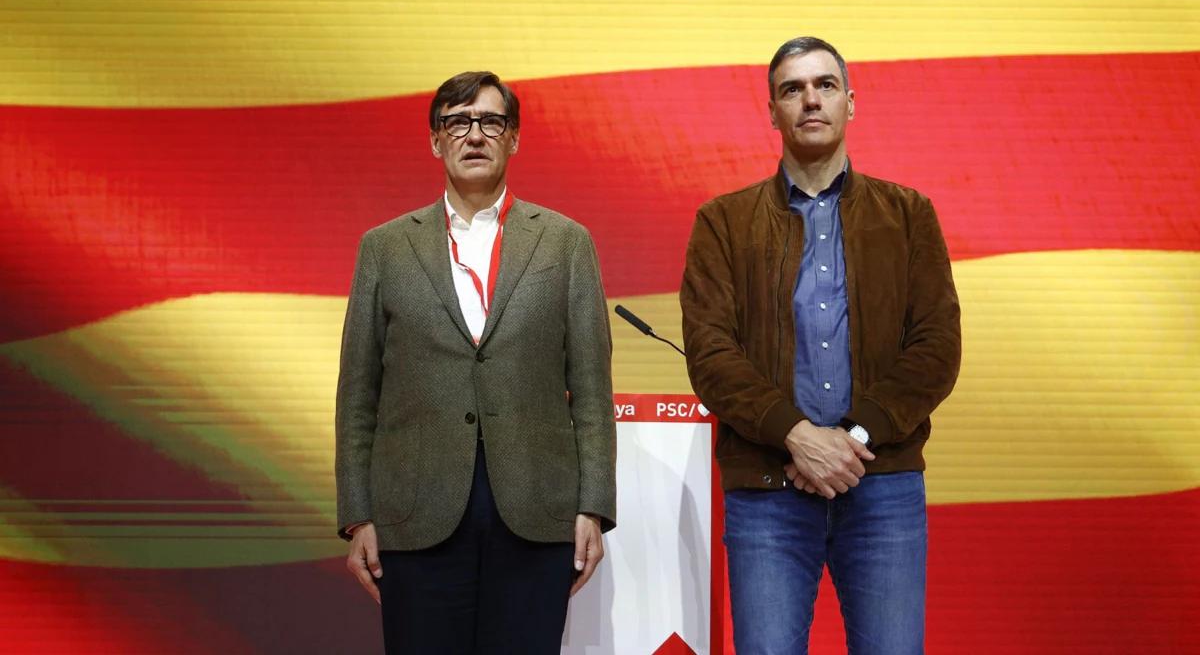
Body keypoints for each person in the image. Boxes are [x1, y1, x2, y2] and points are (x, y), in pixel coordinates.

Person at [680, 37, 961, 654]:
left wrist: (851, 441)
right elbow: (710, 354)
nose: (810, 99)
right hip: (768, 489)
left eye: (825, 85)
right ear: (772, 111)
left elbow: (937, 348)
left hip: (882, 485)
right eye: (792, 89)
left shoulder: (910, 214)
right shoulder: (722, 223)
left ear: (850, 102)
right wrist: (798, 437)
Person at [335, 71, 617, 654]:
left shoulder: (566, 243)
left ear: (513, 138)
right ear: (435, 141)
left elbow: (591, 393)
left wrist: (593, 507)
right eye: (457, 122)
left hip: (535, 511)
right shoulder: (384, 248)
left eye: (490, 121)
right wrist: (357, 515)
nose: (474, 134)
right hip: (416, 512)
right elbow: (358, 394)